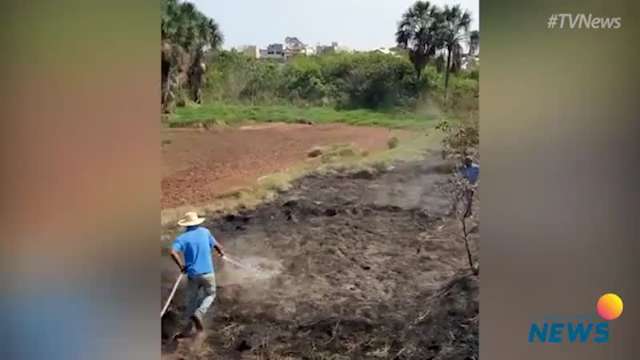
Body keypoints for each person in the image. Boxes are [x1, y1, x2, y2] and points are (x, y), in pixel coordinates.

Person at [170, 211, 225, 336]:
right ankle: (199, 313)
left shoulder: (181, 238)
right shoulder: (205, 232)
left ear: (186, 224)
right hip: (207, 273)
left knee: (191, 300)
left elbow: (173, 252)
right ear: (197, 222)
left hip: (193, 275)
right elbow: (217, 246)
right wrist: (221, 253)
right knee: (211, 294)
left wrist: (181, 267)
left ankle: (186, 327)